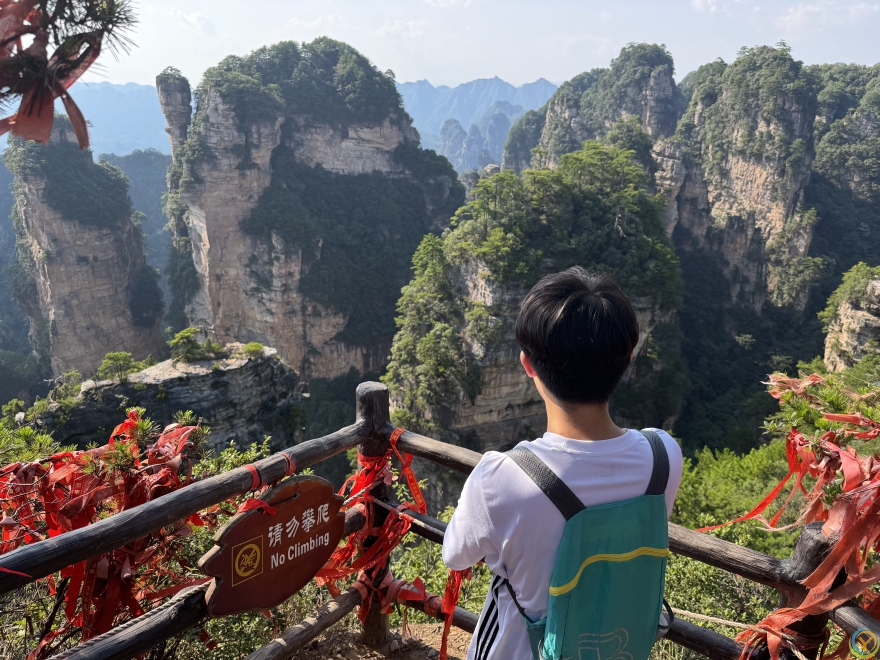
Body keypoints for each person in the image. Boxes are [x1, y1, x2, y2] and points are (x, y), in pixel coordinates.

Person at [442, 267, 683, 660]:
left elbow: (456, 555)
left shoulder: (501, 478)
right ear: (629, 357)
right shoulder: (664, 457)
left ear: (528, 364)